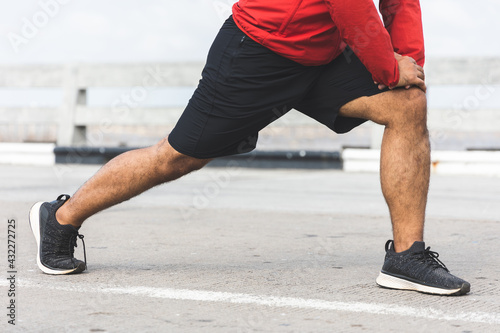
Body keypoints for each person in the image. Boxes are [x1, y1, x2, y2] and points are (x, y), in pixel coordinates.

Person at [29, 0, 470, 296]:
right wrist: (388, 66)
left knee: (408, 104)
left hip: (324, 54)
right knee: (177, 157)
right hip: (259, 49)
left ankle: (406, 257)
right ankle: (61, 217)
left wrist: (407, 67)